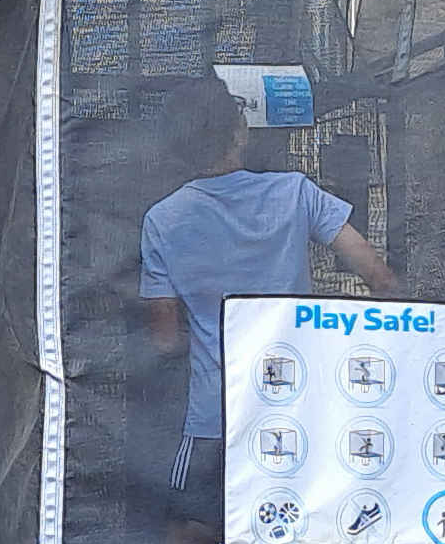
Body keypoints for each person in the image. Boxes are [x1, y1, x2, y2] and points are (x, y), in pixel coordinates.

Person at [138, 76, 402, 498]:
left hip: (217, 416)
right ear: (240, 133)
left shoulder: (161, 220)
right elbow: (381, 279)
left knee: (192, 529)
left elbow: (164, 339)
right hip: (299, 411)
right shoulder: (296, 193)